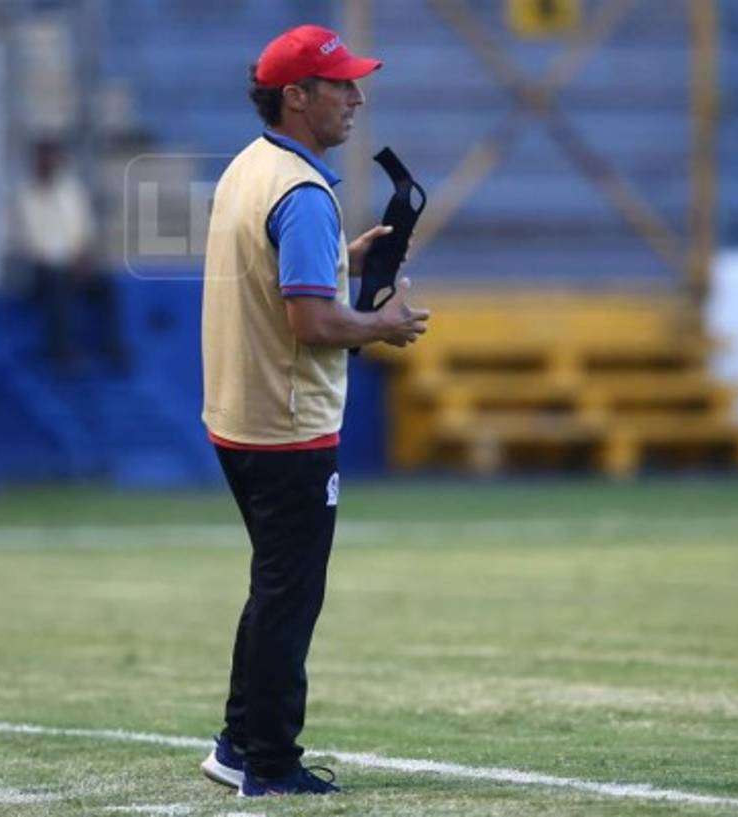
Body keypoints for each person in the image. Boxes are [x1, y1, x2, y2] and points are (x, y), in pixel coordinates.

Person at [197, 24, 429, 799]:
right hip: (287, 423)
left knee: (275, 585)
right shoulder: (302, 192)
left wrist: (341, 257)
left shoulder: (250, 167)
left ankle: (240, 742)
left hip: (239, 414)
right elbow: (312, 321)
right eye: (341, 84)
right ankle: (268, 761)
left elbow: (273, 277)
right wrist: (382, 325)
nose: (356, 97)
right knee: (290, 596)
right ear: (296, 96)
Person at [14, 139, 127, 374]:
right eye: (45, 158)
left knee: (106, 286)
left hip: (74, 263)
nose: (50, 163)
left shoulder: (71, 191)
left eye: (53, 158)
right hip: (43, 269)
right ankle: (64, 354)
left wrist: (80, 258)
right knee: (56, 285)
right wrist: (60, 263)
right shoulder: (25, 195)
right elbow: (29, 242)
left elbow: (84, 231)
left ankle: (112, 349)